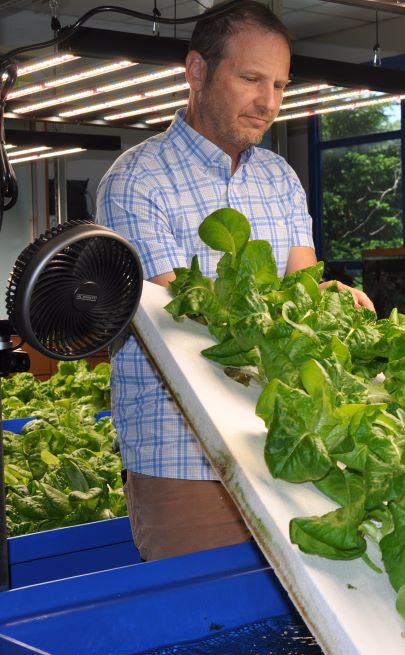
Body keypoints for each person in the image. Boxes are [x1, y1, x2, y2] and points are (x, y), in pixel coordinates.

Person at [96, 0, 372, 561]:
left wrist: (332, 302)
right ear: (197, 71)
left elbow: (301, 291)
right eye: (251, 78)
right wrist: (294, 311)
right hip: (187, 457)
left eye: (278, 84)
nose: (268, 102)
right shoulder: (136, 183)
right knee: (202, 624)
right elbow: (186, 322)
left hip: (286, 447)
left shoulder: (279, 177)